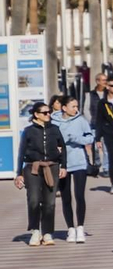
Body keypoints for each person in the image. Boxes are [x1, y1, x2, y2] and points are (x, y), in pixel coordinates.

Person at [17, 102, 66, 247]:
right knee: (33, 199)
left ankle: (47, 232)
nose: (48, 115)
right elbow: (21, 152)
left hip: (52, 167)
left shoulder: (55, 129)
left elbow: (63, 148)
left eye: (49, 112)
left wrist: (64, 166)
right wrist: (19, 173)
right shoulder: (28, 131)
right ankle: (35, 231)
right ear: (36, 115)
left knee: (49, 202)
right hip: (33, 167)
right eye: (45, 113)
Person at [51, 95, 95, 243]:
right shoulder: (54, 121)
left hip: (79, 162)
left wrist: (76, 139)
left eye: (77, 107)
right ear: (64, 108)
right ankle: (70, 229)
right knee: (66, 197)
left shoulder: (81, 121)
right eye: (73, 107)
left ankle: (80, 228)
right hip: (62, 164)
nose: (76, 109)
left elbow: (90, 138)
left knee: (79, 195)